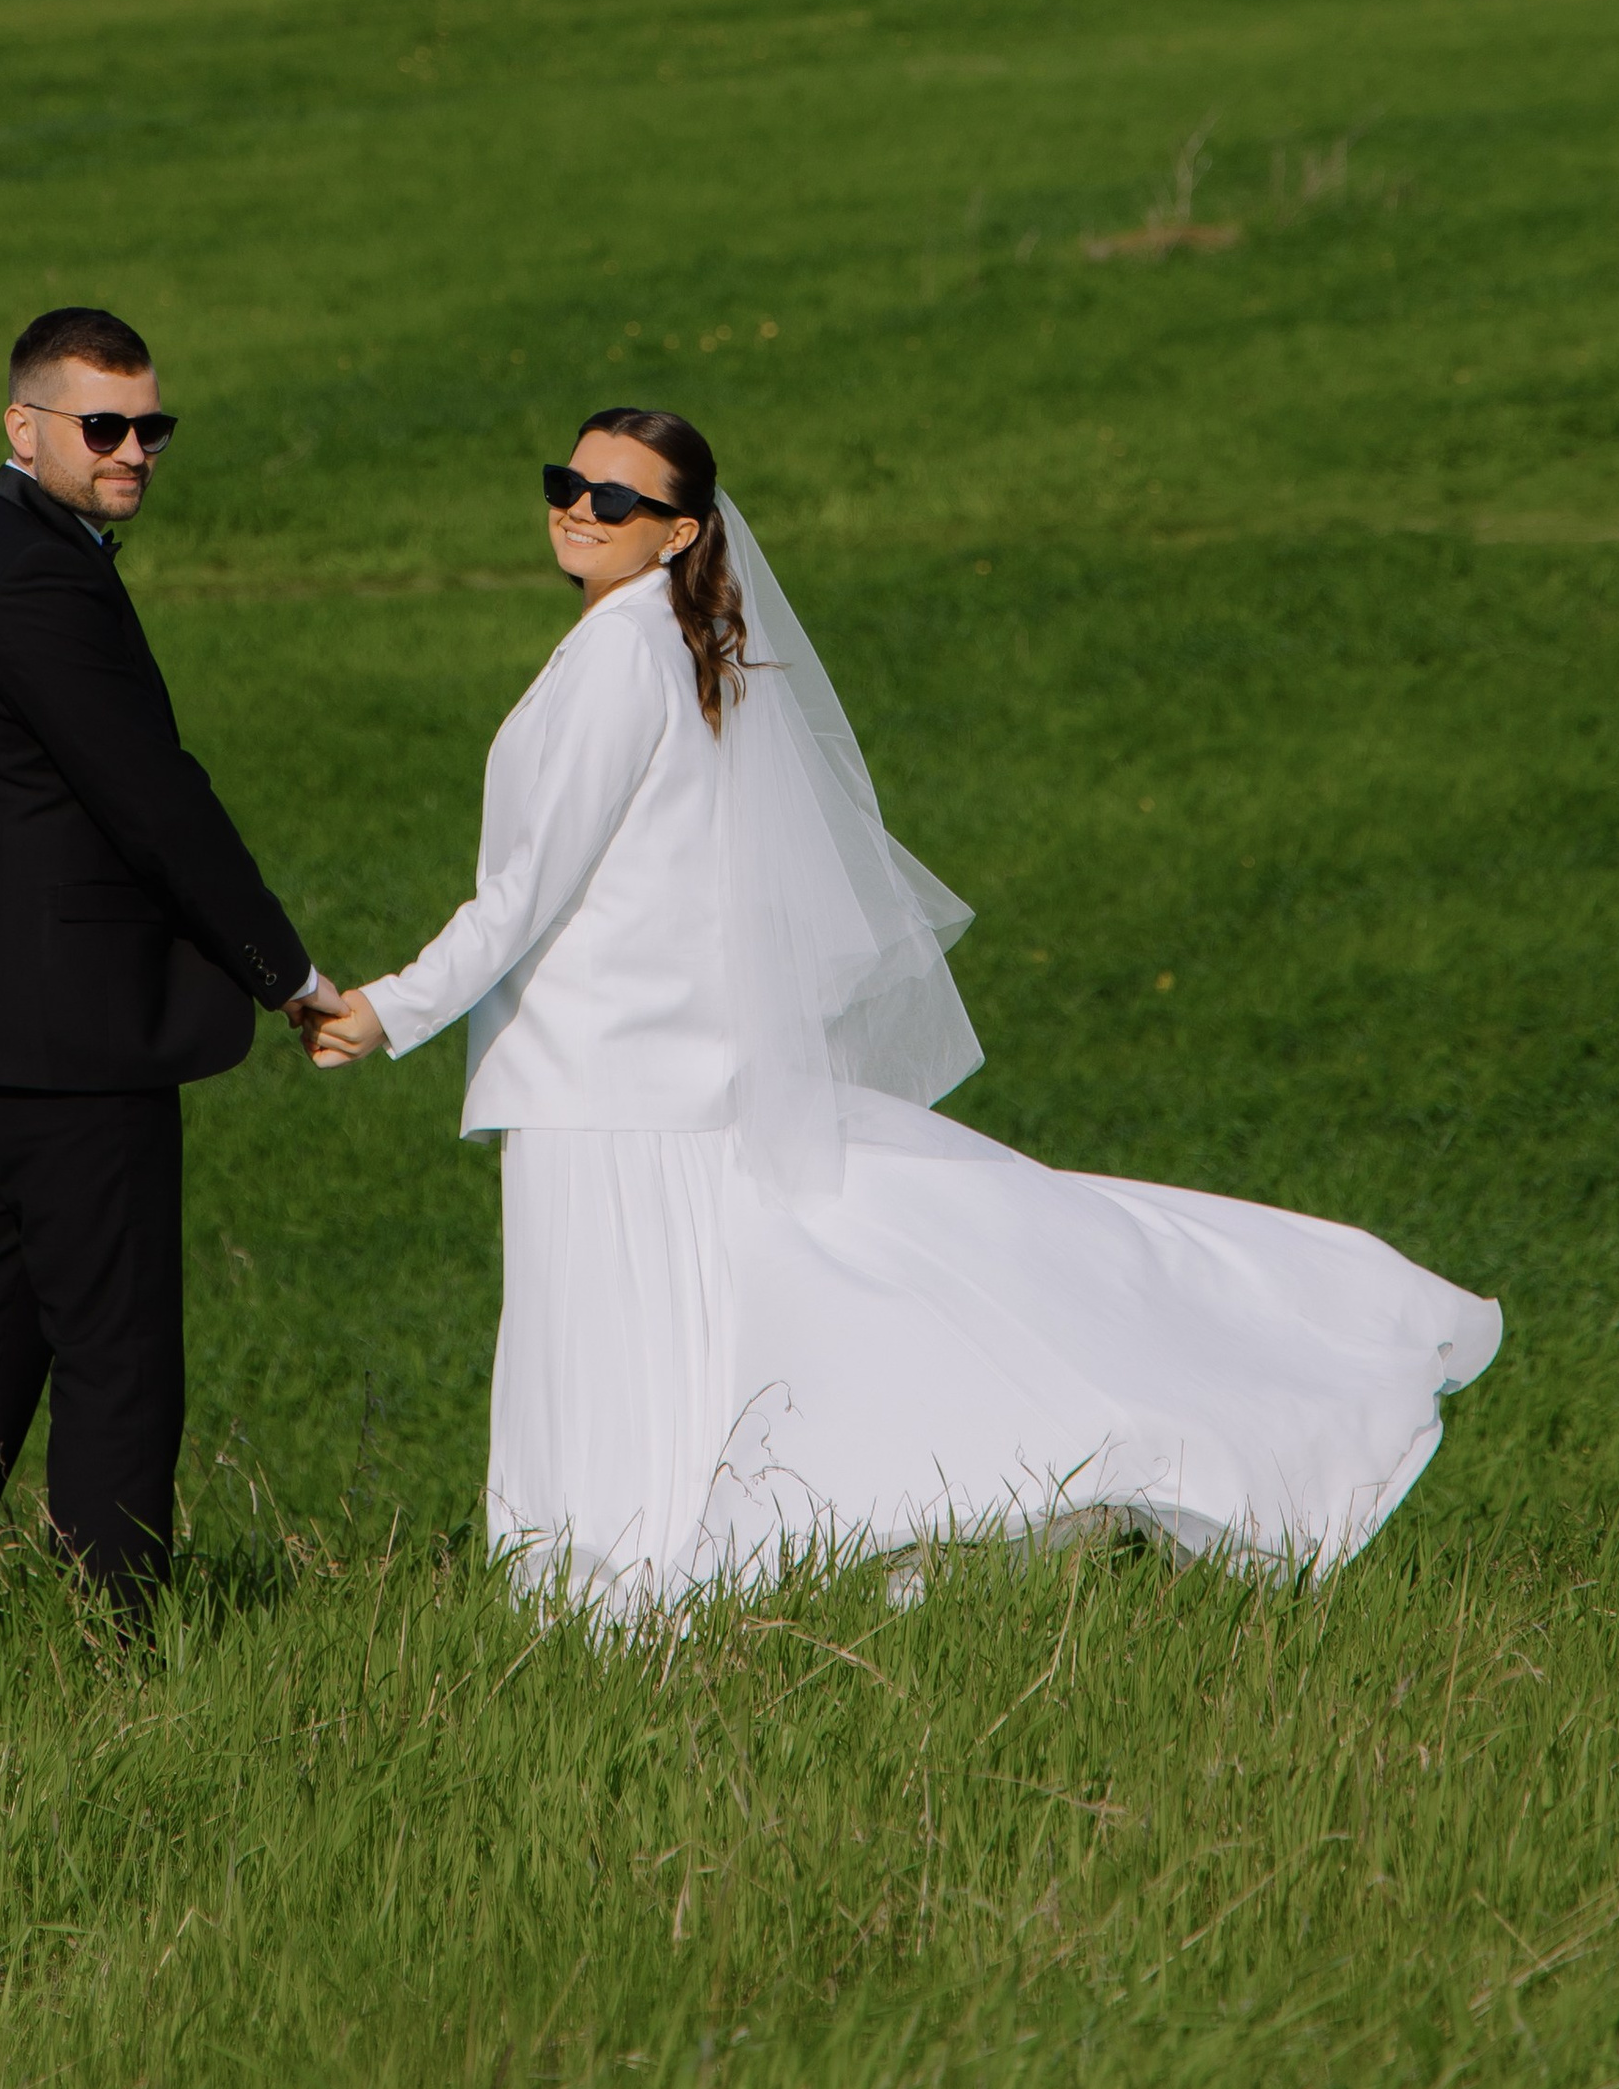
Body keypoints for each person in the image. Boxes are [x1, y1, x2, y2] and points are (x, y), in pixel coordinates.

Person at [310, 406, 1501, 1617]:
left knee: (603, 1350)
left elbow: (528, 889)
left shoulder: (624, 658)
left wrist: (387, 1012)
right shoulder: (648, 648)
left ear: (676, 534)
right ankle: (623, 1589)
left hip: (607, 1084)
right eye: (567, 481)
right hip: (622, 1076)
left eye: (616, 499)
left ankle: (605, 1595)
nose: (578, 507)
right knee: (643, 1342)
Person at [0, 306, 340, 1647]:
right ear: (26, 428)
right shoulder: (40, 581)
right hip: (75, 1038)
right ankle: (122, 1643)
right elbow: (156, 802)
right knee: (118, 1354)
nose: (134, 448)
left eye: (151, 425)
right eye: (104, 426)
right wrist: (285, 972)